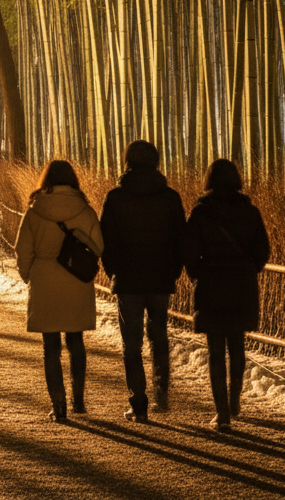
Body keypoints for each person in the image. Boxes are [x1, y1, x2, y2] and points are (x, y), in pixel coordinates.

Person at [100, 140, 187, 423]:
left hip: (128, 280)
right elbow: (180, 239)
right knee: (159, 335)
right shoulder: (170, 198)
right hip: (160, 278)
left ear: (127, 162)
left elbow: (105, 241)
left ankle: (138, 403)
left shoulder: (115, 197)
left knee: (132, 343)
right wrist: (173, 271)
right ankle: (161, 390)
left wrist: (114, 271)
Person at [184, 159, 270, 433]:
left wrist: (198, 273)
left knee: (215, 350)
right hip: (241, 284)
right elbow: (263, 250)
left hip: (211, 283)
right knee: (237, 344)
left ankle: (222, 412)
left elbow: (189, 251)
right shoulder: (250, 212)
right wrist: (248, 269)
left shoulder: (201, 212)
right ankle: (234, 399)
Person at [15, 160, 105, 422]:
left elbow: (22, 250)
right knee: (76, 341)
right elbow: (99, 246)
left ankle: (59, 406)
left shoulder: (34, 211)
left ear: (46, 180)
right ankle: (78, 401)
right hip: (76, 279)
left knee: (50, 346)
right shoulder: (85, 210)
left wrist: (29, 276)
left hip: (45, 281)